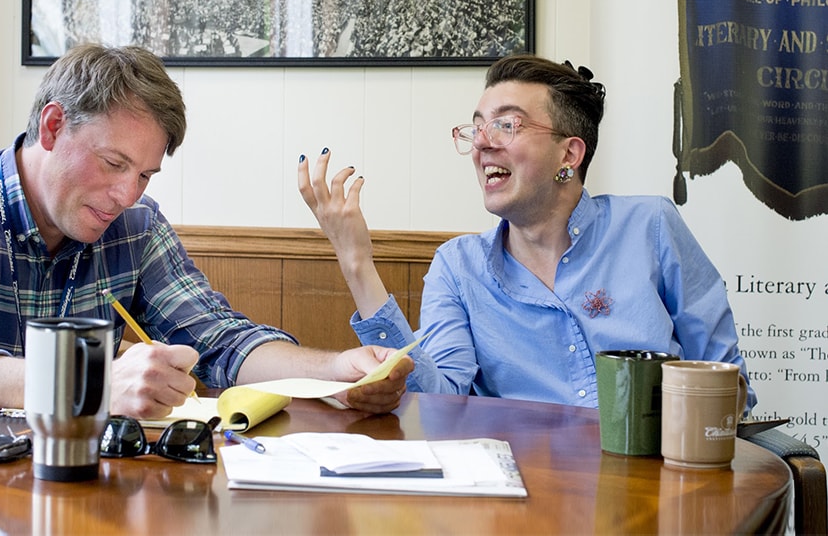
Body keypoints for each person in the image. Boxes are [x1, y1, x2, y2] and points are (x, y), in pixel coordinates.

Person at [0, 44, 412, 418]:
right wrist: (90, 381)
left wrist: (334, 373)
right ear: (53, 127)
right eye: (113, 163)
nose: (126, 195)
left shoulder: (136, 227)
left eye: (143, 175)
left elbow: (217, 338)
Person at [298, 53, 756, 411]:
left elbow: (727, 382)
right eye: (477, 127)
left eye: (506, 124)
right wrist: (357, 264)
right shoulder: (459, 267)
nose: (481, 142)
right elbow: (434, 402)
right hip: (520, 497)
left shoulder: (651, 227)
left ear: (569, 154)